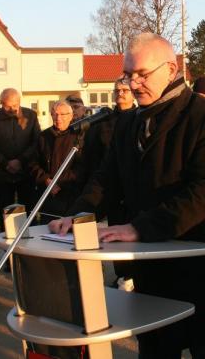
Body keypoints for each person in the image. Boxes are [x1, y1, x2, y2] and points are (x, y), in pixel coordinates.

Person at [50, 33, 205, 358]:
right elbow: (107, 179)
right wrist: (80, 214)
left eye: (142, 74)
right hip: (155, 272)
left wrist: (139, 228)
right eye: (127, 74)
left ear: (171, 69)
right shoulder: (127, 124)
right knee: (156, 349)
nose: (133, 84)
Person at [80, 77, 136, 284]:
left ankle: (134, 275)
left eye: (124, 90)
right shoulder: (103, 122)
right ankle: (122, 274)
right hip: (109, 186)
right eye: (117, 90)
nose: (120, 93)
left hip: (131, 188)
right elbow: (91, 155)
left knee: (131, 234)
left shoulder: (139, 118)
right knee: (114, 233)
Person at [0, 88, 41, 226]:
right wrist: (5, 162)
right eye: (8, 106)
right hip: (3, 173)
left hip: (26, 171)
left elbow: (37, 142)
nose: (12, 109)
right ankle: (7, 242)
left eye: (15, 105)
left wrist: (21, 160)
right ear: (1, 103)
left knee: (29, 210)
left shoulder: (31, 115)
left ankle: (31, 242)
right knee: (5, 211)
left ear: (19, 102)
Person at [30, 100, 85, 224]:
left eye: (62, 114)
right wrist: (46, 179)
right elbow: (33, 162)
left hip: (71, 194)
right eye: (55, 114)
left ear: (71, 116)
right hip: (48, 195)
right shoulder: (43, 136)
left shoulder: (79, 136)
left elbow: (82, 166)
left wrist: (60, 182)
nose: (58, 118)